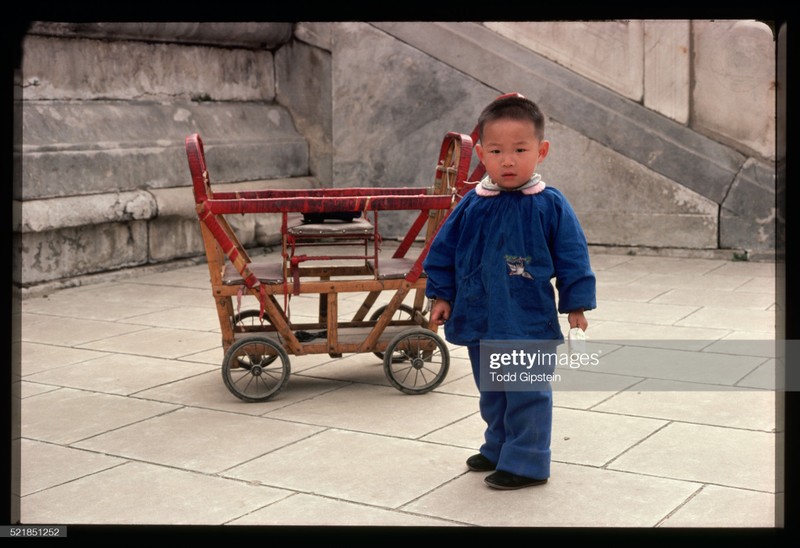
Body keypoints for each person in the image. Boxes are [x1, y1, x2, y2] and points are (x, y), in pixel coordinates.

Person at [423, 94, 596, 489]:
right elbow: (443, 251)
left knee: (525, 389)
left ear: (542, 151)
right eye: (497, 151)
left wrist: (577, 304)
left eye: (520, 150)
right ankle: (499, 446)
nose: (508, 160)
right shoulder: (472, 203)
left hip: (525, 317)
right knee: (493, 390)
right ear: (481, 153)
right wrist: (443, 295)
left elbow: (573, 255)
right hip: (479, 313)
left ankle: (528, 460)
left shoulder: (549, 205)